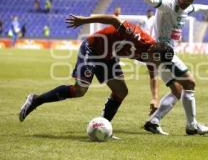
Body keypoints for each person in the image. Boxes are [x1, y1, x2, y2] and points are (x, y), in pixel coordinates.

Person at [19, 14, 174, 126]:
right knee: (80, 90)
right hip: (92, 48)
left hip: (108, 56)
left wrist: (154, 98)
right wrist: (83, 21)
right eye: (156, 59)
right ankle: (35, 100)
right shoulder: (138, 37)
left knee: (121, 91)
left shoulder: (152, 56)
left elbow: (154, 75)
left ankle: (103, 125)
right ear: (154, 49)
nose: (154, 62)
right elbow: (114, 20)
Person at [131, 0, 208, 135]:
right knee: (190, 83)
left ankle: (154, 121)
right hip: (162, 51)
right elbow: (152, 1)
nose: (188, 2)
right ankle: (192, 125)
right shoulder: (168, 3)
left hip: (163, 54)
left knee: (177, 90)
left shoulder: (187, 7)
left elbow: (198, 7)